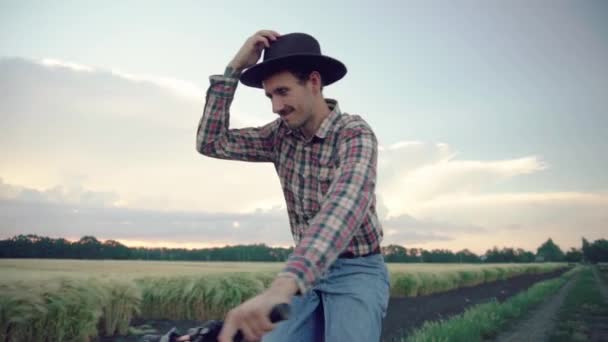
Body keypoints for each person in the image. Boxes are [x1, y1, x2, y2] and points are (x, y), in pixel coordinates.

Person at [196, 30, 389, 342]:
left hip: (357, 270)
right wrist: (234, 69)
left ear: (313, 82)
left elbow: (343, 206)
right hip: (303, 273)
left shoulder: (354, 133)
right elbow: (211, 142)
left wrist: (283, 285)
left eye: (283, 92)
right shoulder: (279, 136)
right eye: (270, 96)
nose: (276, 106)